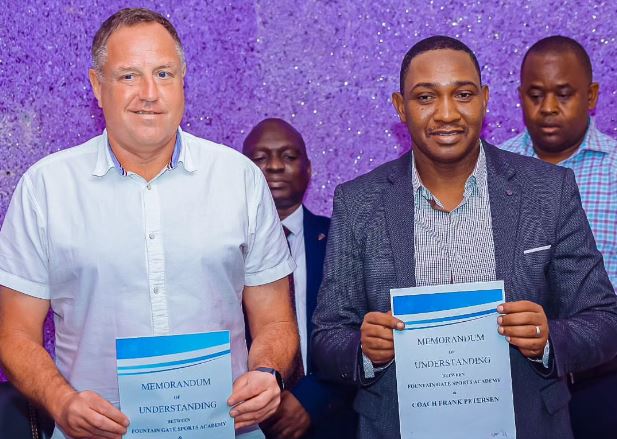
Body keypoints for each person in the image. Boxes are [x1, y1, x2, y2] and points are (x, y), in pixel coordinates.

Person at [0, 8, 299, 439]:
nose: (149, 93)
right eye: (128, 76)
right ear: (96, 86)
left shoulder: (240, 179)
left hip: (226, 429)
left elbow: (276, 322)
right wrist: (61, 401)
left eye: (163, 74)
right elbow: (14, 333)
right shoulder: (46, 188)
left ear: (182, 81)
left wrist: (268, 372)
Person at [311, 35, 617, 439]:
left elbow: (604, 320)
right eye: (425, 97)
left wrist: (548, 338)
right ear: (400, 107)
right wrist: (362, 350)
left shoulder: (548, 190)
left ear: (485, 100)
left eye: (463, 94)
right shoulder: (359, 202)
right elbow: (327, 336)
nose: (446, 113)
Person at [500, 35, 617, 439]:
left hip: (606, 380)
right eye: (535, 95)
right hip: (517, 382)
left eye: (563, 94)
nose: (548, 107)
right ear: (520, 97)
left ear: (591, 96)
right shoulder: (492, 170)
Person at [242, 118, 356, 439]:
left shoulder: (341, 237)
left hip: (333, 421)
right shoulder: (220, 248)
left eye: (289, 157)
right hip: (245, 420)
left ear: (308, 170)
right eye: (260, 158)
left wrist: (312, 399)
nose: (275, 166)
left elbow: (360, 329)